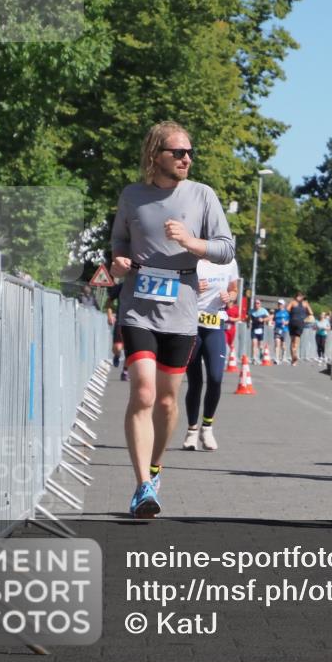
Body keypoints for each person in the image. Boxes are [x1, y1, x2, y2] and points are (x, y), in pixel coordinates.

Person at [110, 121, 235, 517]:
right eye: (178, 152)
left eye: (189, 152)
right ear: (155, 155)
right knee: (143, 392)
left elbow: (226, 249)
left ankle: (155, 465)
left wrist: (190, 242)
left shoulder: (202, 195)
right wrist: (118, 261)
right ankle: (142, 487)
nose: (186, 159)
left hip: (181, 310)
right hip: (138, 307)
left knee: (166, 402)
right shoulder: (133, 196)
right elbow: (117, 243)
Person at [183, 258, 239, 451]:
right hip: (192, 324)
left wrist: (229, 298)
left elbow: (234, 290)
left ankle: (207, 427)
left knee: (216, 377)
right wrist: (193, 287)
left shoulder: (229, 262)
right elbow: (177, 286)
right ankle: (191, 430)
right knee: (195, 381)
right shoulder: (192, 259)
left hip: (215, 325)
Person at [105, 281, 129, 382]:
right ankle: (117, 355)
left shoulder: (144, 285)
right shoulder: (122, 286)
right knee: (118, 348)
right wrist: (110, 315)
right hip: (120, 321)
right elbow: (109, 301)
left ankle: (125, 372)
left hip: (136, 323)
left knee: (130, 350)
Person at [288, 291, 313, 366]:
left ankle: (293, 358)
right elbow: (311, 313)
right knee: (296, 341)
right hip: (300, 323)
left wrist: (292, 313)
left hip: (293, 322)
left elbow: (287, 309)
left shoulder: (293, 302)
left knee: (292, 341)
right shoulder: (305, 303)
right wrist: (304, 316)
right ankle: (294, 358)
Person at [249, 298, 270, 364]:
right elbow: (248, 317)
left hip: (260, 329)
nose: (256, 304)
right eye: (255, 303)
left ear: (260, 304)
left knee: (260, 345)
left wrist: (263, 320)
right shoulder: (251, 311)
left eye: (258, 303)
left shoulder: (264, 311)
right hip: (254, 329)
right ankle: (254, 358)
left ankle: (261, 352)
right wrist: (248, 323)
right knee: (253, 343)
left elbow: (269, 317)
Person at [273, 298, 290, 363]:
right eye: (278, 304)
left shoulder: (286, 313)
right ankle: (276, 358)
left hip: (284, 329)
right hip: (277, 329)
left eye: (280, 304)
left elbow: (289, 321)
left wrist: (286, 323)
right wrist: (273, 322)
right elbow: (274, 319)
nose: (279, 305)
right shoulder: (276, 312)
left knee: (283, 345)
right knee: (277, 342)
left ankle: (284, 355)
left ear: (283, 305)